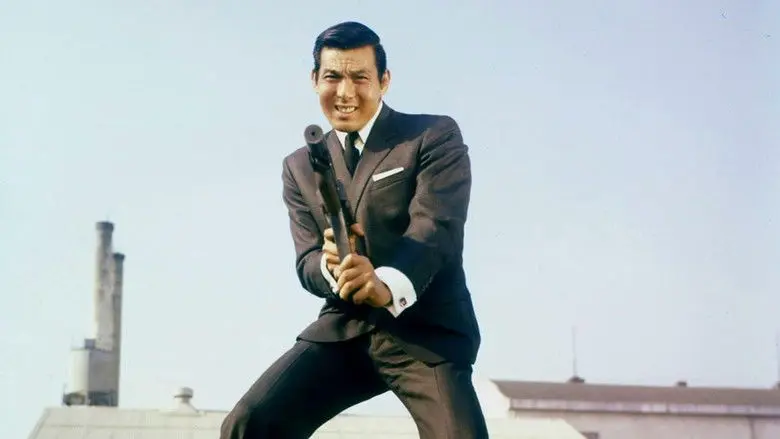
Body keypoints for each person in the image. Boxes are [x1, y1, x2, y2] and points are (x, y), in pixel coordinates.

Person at [220, 21, 488, 439]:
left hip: (426, 332)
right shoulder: (298, 165)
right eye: (332, 77)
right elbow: (306, 260)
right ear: (314, 80)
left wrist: (383, 284)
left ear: (384, 81)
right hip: (345, 328)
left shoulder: (432, 135)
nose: (345, 92)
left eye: (360, 77)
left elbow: (435, 227)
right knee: (248, 423)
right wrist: (331, 267)